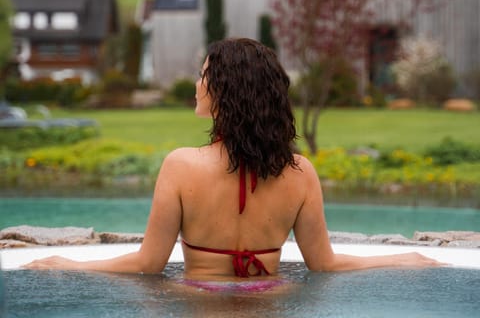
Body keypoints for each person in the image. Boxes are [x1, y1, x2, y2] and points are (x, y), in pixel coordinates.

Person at [25, 38, 442, 278]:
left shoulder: (180, 165)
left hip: (198, 301)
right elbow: (325, 264)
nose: (195, 84)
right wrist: (401, 257)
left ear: (225, 92)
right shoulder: (300, 172)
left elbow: (148, 264)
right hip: (273, 300)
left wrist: (70, 265)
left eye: (203, 76)